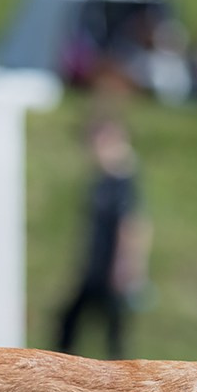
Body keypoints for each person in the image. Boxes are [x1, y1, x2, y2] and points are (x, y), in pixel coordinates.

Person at [55, 115, 149, 359]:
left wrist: (127, 267)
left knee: (113, 334)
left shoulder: (123, 182)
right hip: (96, 269)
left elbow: (133, 225)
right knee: (72, 321)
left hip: (112, 269)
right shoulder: (101, 180)